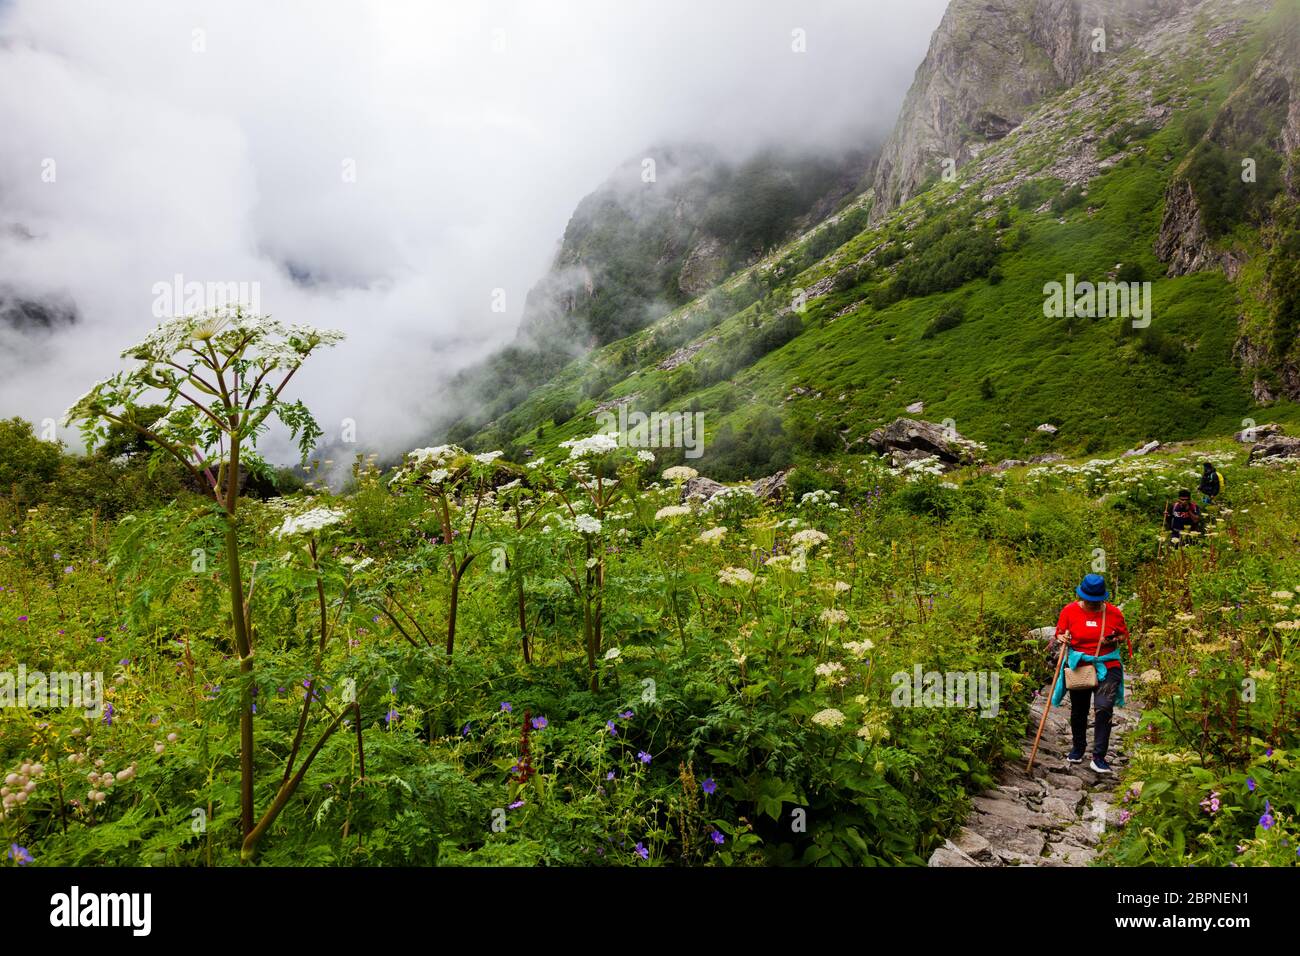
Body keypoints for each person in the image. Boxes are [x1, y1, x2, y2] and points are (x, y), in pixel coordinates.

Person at [1051, 573, 1132, 774]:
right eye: (1090, 601)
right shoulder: (1069, 611)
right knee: (1079, 709)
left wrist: (1113, 639)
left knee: (1104, 707)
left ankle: (1099, 756)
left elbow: (1123, 635)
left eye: (1097, 601)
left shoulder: (1113, 613)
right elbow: (1059, 632)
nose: (1093, 604)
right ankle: (1078, 748)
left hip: (1107, 663)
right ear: (1082, 596)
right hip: (1080, 664)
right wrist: (1063, 638)